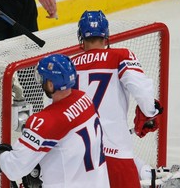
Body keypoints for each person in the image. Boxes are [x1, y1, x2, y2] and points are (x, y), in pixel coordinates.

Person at [70, 10, 163, 188]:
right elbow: (142, 91)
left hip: (77, 155)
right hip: (115, 153)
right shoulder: (121, 56)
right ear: (106, 37)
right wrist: (150, 112)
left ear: (81, 37)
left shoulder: (69, 66)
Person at [0, 54, 110, 188]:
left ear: (50, 84)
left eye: (42, 78)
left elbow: (14, 168)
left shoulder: (46, 121)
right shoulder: (84, 98)